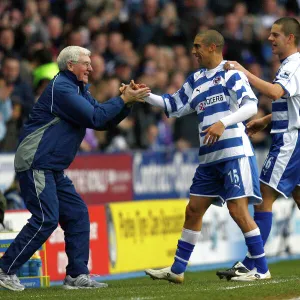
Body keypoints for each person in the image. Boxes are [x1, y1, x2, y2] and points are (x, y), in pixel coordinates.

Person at [0, 45, 150, 291]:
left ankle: (76, 275)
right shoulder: (61, 88)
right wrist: (122, 99)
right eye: (86, 63)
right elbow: (96, 118)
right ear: (70, 66)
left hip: (51, 166)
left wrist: (126, 103)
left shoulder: (77, 89)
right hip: (36, 161)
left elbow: (102, 120)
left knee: (77, 214)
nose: (91, 68)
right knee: (45, 219)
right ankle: (5, 270)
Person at [135, 29, 270, 284]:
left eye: (197, 46)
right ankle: (177, 269)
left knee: (238, 211)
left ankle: (262, 268)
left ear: (212, 47)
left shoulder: (231, 73)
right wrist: (143, 95)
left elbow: (251, 106)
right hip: (209, 159)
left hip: (233, 153)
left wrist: (223, 122)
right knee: (193, 210)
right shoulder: (195, 79)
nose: (193, 51)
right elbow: (173, 106)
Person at [217, 17, 300, 280]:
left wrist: (244, 72)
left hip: (289, 141)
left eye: (275, 35)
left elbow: (276, 93)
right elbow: (291, 103)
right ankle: (252, 262)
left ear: (290, 38)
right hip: (291, 136)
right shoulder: (292, 64)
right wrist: (266, 121)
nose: (269, 39)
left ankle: (253, 264)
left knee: (264, 196)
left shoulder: (294, 65)